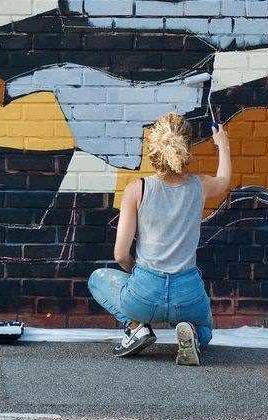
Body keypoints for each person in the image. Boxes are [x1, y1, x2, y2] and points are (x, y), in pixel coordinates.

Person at [87, 112, 231, 366]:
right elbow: (223, 181)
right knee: (205, 327)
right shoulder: (200, 185)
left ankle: (137, 328)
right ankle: (193, 334)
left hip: (144, 292)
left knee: (97, 279)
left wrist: (140, 276)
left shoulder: (136, 189)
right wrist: (223, 145)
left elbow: (120, 255)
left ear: (153, 148)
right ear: (186, 148)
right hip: (187, 293)